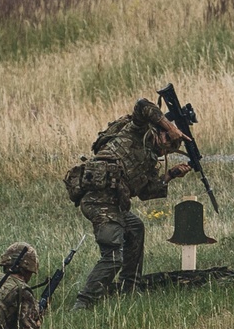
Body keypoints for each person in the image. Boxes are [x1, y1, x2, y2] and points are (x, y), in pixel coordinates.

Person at [64, 96, 192, 310]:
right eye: (169, 140)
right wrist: (170, 126)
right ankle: (83, 303)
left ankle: (129, 289)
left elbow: (146, 192)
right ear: (161, 131)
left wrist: (170, 175)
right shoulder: (137, 130)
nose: (167, 148)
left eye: (172, 147)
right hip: (98, 200)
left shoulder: (150, 160)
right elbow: (143, 105)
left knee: (135, 228)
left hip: (114, 204)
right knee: (113, 256)